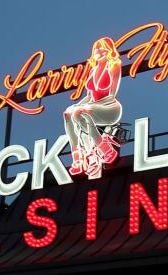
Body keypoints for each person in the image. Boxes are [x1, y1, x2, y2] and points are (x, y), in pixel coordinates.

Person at [63, 36, 123, 179]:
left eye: (102, 48)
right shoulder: (93, 70)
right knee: (68, 113)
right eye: (96, 48)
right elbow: (89, 96)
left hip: (110, 108)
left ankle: (103, 149)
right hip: (93, 108)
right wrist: (77, 105)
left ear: (108, 50)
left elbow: (112, 95)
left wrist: (86, 106)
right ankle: (78, 157)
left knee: (79, 112)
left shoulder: (114, 65)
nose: (98, 50)